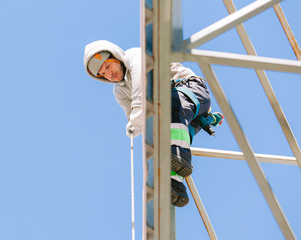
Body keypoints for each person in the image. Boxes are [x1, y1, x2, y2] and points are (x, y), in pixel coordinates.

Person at [83, 40, 221, 207]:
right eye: (102, 74)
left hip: (190, 90)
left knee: (173, 107)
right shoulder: (119, 92)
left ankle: (180, 155)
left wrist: (137, 116)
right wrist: (133, 126)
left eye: (107, 66)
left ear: (116, 57)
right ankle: (174, 184)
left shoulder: (134, 56)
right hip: (181, 115)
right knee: (163, 140)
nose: (108, 74)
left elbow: (142, 86)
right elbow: (137, 118)